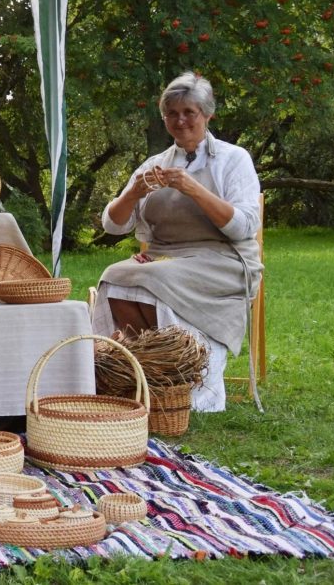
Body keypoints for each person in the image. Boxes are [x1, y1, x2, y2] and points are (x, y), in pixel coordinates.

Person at [91, 72, 263, 412]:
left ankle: (188, 376)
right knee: (114, 276)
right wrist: (134, 192)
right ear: (164, 118)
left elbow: (244, 226)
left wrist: (193, 189)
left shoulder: (233, 159)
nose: (180, 120)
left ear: (207, 115)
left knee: (155, 278)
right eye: (172, 113)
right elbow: (113, 224)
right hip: (165, 259)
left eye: (189, 112)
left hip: (225, 260)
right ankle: (151, 371)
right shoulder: (155, 164)